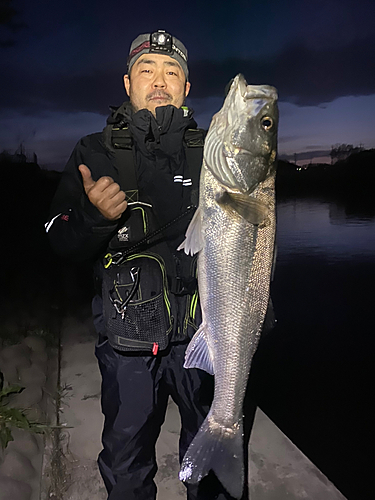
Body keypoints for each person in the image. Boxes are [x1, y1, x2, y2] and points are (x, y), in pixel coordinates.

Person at [47, 30, 253, 500]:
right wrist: (93, 219)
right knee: (126, 464)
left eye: (171, 72)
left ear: (186, 88)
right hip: (127, 346)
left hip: (205, 332)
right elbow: (57, 237)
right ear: (126, 82)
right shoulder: (92, 151)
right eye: (147, 70)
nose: (159, 81)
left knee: (213, 471)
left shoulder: (213, 151)